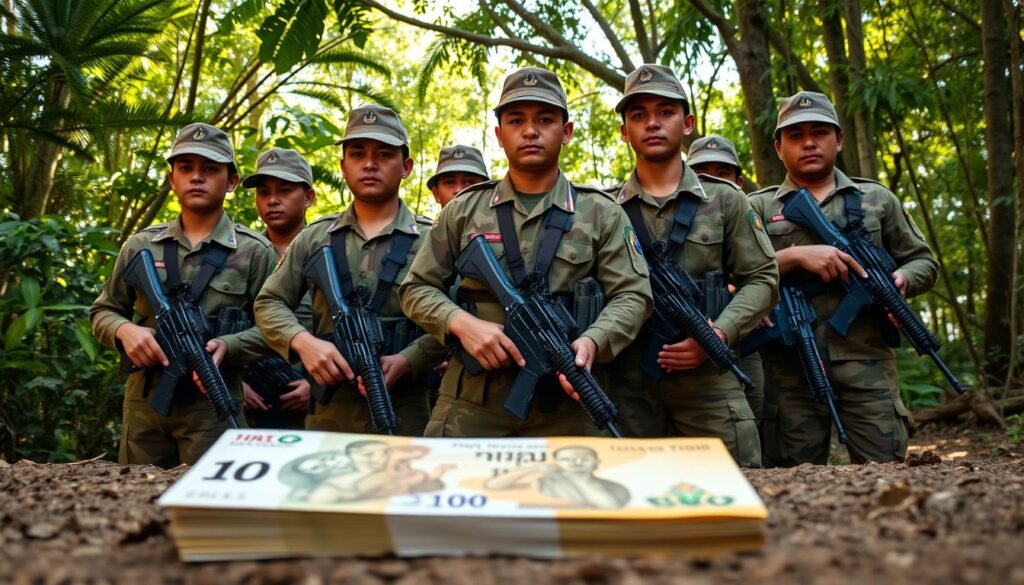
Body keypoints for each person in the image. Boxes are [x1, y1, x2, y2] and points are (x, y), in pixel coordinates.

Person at [399, 66, 653, 438]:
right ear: (500, 134)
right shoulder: (464, 209)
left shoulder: (601, 211)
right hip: (471, 402)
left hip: (570, 404)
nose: (530, 131)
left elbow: (633, 294)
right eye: (516, 120)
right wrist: (462, 324)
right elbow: (416, 289)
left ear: (566, 132)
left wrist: (591, 341)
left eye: (545, 119)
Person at [749, 91, 938, 465]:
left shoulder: (877, 199)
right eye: (796, 135)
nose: (809, 143)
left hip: (866, 359)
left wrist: (901, 279)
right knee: (790, 477)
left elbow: (923, 262)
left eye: (820, 132)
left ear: (839, 140)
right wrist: (793, 257)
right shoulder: (756, 207)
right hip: (789, 366)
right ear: (778, 147)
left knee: (887, 471)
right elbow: (732, 277)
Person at [609, 65, 778, 468]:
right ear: (624, 131)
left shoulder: (726, 200)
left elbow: (762, 278)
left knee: (733, 504)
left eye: (665, 112)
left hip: (710, 385)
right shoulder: (602, 208)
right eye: (638, 115)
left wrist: (716, 335)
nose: (652, 123)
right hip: (627, 385)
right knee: (628, 506)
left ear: (687, 124)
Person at [90, 123, 277, 467]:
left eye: (210, 169)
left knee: (210, 511)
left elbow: (278, 327)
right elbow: (103, 311)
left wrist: (230, 346)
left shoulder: (255, 252)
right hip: (145, 404)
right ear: (171, 178)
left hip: (213, 405)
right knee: (134, 504)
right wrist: (125, 331)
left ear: (232, 181)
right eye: (186, 167)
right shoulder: (141, 246)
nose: (197, 177)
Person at [254, 104, 445, 436]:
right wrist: (303, 342)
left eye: (384, 154)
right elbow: (269, 303)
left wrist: (410, 359)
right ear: (343, 166)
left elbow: (460, 317)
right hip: (329, 410)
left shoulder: (434, 239)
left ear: (407, 167)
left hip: (404, 408)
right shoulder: (314, 239)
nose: (369, 164)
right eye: (358, 154)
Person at [687, 134, 765, 425]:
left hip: (745, 340)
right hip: (688, 339)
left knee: (753, 417)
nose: (712, 181)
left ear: (739, 181)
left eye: (722, 174)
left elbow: (762, 273)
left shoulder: (747, 213)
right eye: (701, 173)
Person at [240, 147, 316, 429]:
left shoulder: (332, 253)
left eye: (284, 191)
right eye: (263, 192)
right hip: (249, 408)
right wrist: (234, 384)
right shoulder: (238, 255)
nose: (272, 201)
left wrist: (317, 386)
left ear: (308, 197)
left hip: (318, 404)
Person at [484, 445, 630, 509]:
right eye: (567, 459)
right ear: (557, 462)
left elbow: (610, 505)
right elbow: (493, 486)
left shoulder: (615, 487)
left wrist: (575, 479)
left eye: (584, 458)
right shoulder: (545, 482)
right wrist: (531, 469)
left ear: (597, 462)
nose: (577, 462)